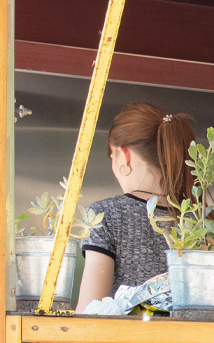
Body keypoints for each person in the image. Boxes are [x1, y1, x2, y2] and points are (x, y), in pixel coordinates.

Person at [76, 103, 198, 305]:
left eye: (111, 156)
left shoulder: (104, 216)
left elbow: (91, 314)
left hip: (127, 337)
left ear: (124, 157)